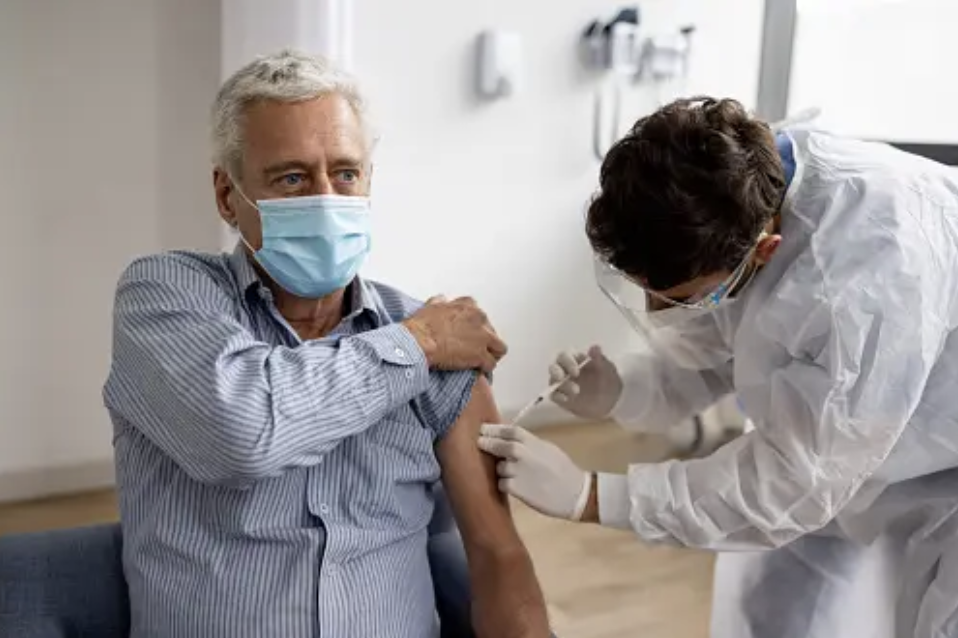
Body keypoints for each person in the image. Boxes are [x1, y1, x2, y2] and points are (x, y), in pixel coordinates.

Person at [103, 49, 550, 638]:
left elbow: (498, 556)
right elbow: (241, 434)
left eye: (345, 173)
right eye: (291, 178)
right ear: (227, 195)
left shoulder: (439, 343)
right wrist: (418, 343)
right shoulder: (165, 294)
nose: (326, 198)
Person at [479, 96, 958, 638]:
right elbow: (733, 348)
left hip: (943, 474)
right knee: (771, 609)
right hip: (848, 445)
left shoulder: (863, 283)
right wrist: (623, 389)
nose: (655, 313)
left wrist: (592, 495)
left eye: (678, 298)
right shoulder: (732, 187)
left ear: (766, 250)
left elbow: (791, 485)